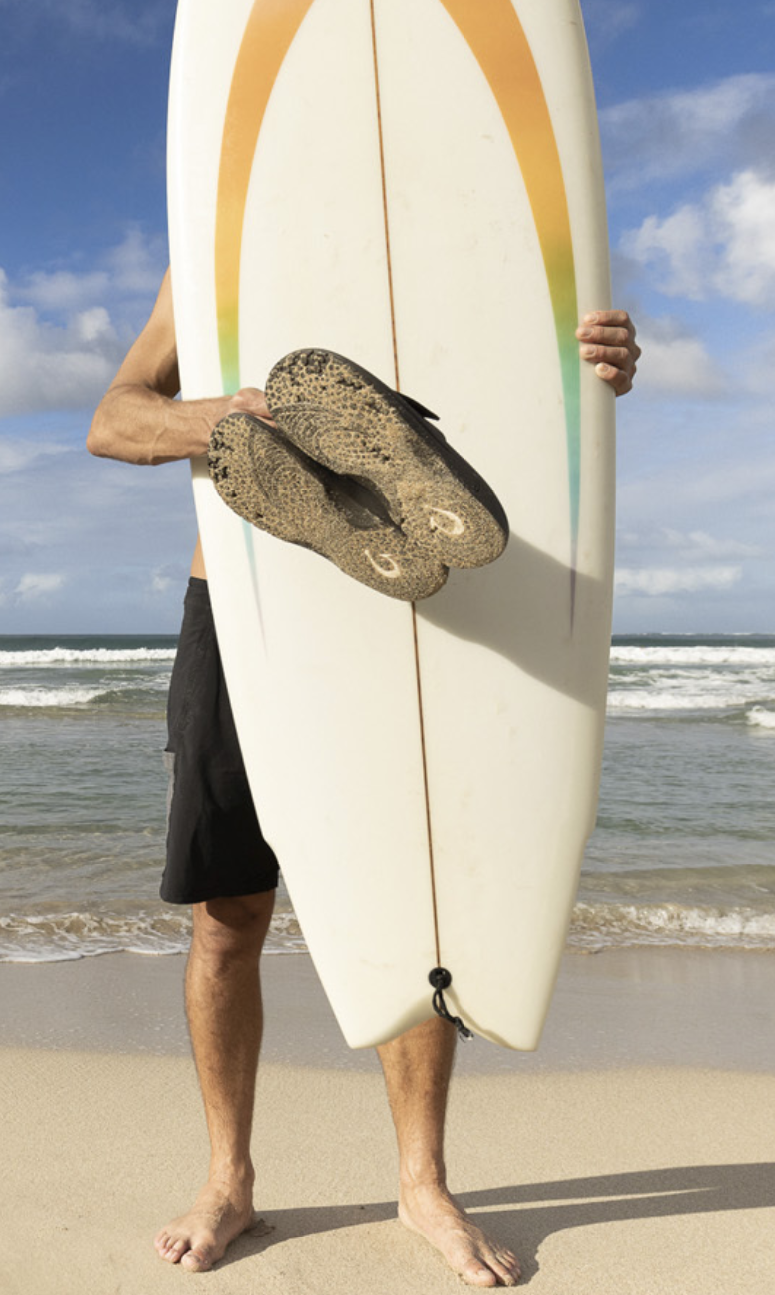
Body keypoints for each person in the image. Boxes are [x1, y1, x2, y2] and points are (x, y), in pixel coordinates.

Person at [87, 270, 639, 1286]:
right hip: (244, 606)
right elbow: (115, 421)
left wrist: (597, 367)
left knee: (409, 905)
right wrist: (233, 419)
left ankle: (420, 1180)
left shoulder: (434, 225)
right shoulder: (210, 248)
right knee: (227, 910)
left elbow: (523, 404)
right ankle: (227, 1180)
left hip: (406, 601)